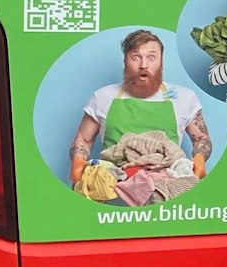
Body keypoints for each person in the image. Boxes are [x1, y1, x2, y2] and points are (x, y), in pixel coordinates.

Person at [70, 29, 211, 188]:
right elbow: (84, 139)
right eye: (136, 57)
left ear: (161, 61)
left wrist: (199, 158)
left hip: (168, 184)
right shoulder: (102, 97)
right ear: (125, 61)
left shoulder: (184, 97)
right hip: (112, 185)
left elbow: (201, 138)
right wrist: (78, 161)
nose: (144, 65)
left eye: (151, 57)